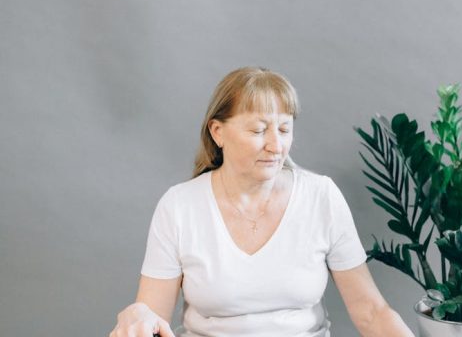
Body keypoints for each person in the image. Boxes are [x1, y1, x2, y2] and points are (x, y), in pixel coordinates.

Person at [109, 67, 415, 337]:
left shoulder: (321, 196)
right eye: (258, 130)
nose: (275, 145)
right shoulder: (179, 206)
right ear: (218, 132)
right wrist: (137, 314)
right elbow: (152, 317)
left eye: (284, 129)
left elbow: (372, 313)